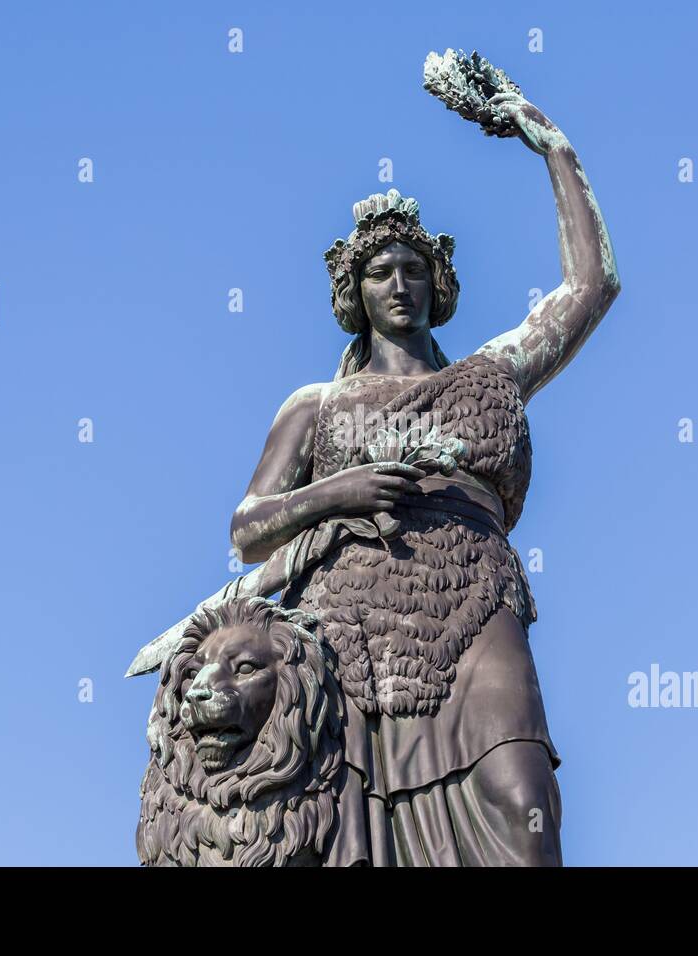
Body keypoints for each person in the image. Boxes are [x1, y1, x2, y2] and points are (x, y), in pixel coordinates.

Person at [228, 91, 620, 866]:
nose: (399, 284)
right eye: (381, 272)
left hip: (474, 596)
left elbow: (590, 288)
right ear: (356, 292)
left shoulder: (491, 374)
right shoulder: (317, 405)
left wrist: (551, 147)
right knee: (356, 835)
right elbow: (246, 528)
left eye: (414, 269)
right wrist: (338, 493)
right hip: (349, 627)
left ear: (437, 282)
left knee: (522, 793)